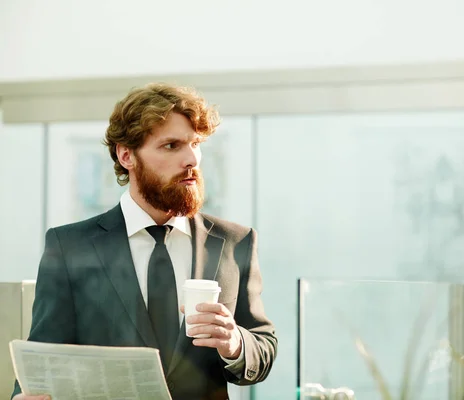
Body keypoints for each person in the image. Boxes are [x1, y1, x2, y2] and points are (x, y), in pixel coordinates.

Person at [12, 83, 277, 400]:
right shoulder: (70, 246)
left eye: (195, 143)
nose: (191, 158)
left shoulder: (236, 242)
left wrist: (234, 343)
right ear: (127, 155)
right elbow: (44, 358)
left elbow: (263, 347)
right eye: (171, 146)